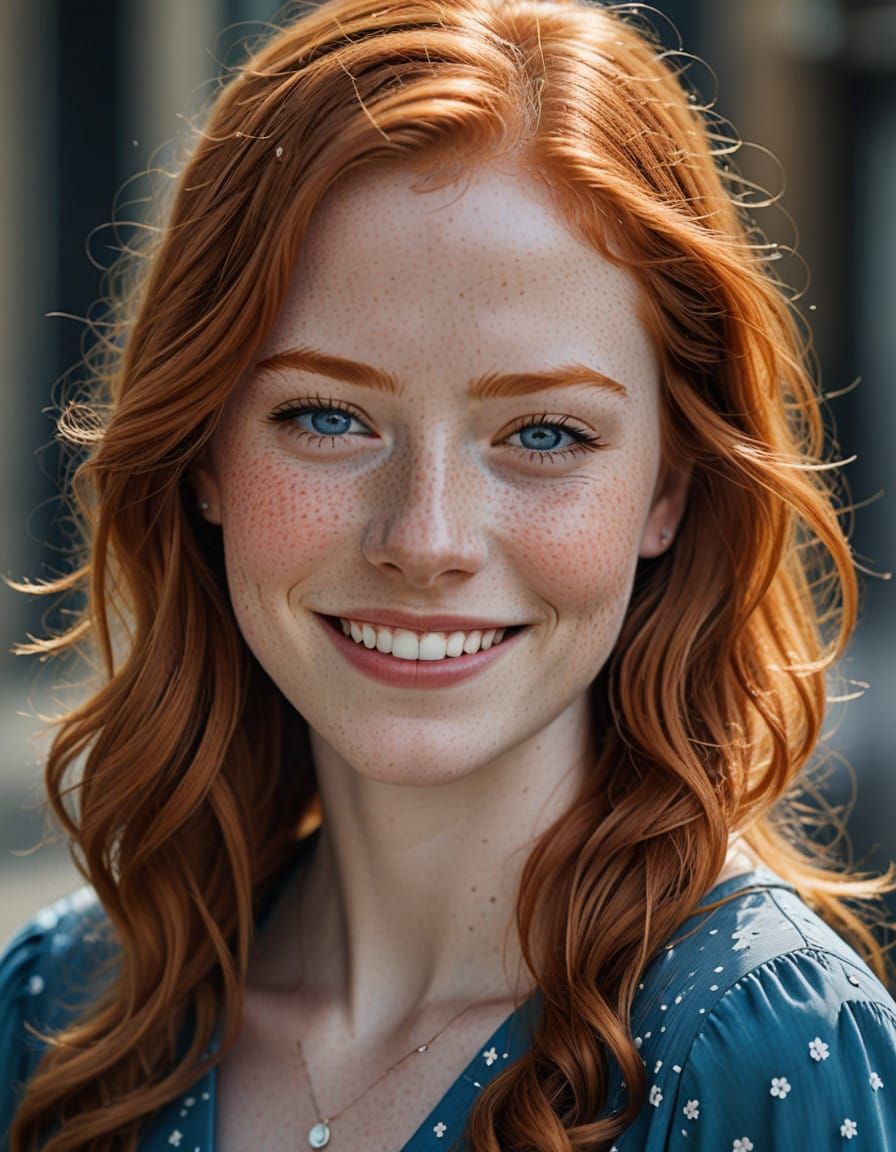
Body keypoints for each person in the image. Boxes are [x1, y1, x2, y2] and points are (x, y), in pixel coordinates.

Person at [2, 0, 895, 1149]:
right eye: (326, 416)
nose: (424, 540)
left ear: (668, 490)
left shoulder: (759, 1049)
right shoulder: (65, 1011)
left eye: (542, 435)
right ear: (202, 452)